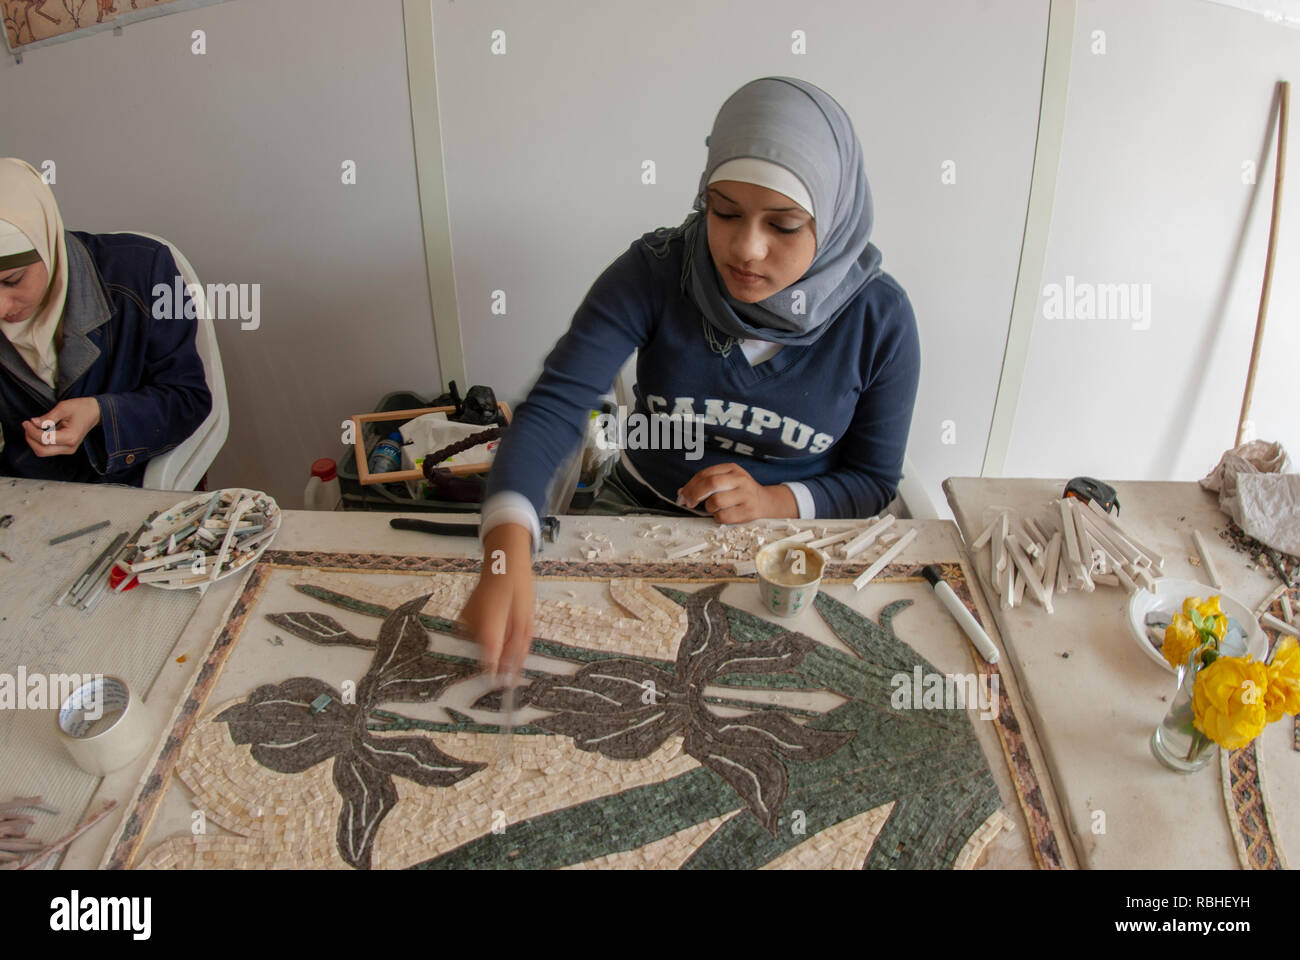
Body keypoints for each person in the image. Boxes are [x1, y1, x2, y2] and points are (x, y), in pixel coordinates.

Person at [460, 77, 921, 682]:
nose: (747, 249)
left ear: (833, 219)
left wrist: (771, 501)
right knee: (587, 673)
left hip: (791, 543)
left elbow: (873, 480)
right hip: (641, 509)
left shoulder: (878, 319)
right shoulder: (656, 273)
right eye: (723, 211)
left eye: (782, 225)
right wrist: (504, 548)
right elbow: (556, 407)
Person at [0, 158, 212, 484]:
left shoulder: (143, 273)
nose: (1, 308)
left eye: (13, 280)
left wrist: (100, 413)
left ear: (47, 242)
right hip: (23, 497)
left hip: (129, 490)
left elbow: (187, 399)